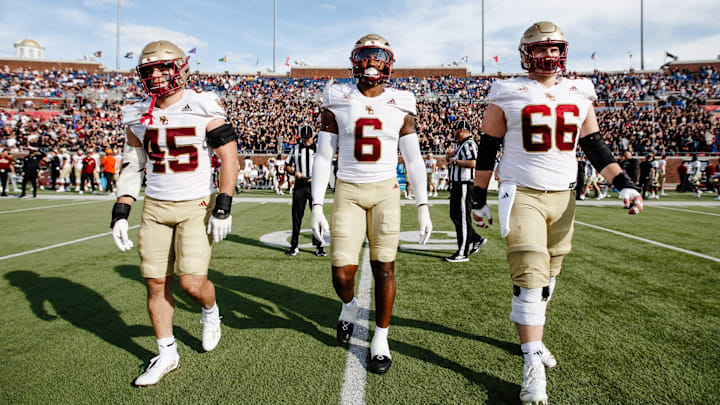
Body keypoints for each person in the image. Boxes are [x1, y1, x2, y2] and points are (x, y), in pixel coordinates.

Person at [470, 22, 643, 405]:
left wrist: (625, 183)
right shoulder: (507, 90)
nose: (548, 55)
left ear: (563, 51)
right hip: (521, 193)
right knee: (530, 273)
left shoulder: (580, 89)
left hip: (564, 197)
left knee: (549, 275)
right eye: (540, 48)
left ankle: (534, 339)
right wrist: (478, 196)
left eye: (554, 48)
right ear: (526, 53)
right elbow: (488, 148)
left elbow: (594, 145)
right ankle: (532, 362)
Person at [109, 40, 239, 387]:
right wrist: (121, 211)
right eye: (149, 69)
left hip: (195, 205)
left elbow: (229, 157)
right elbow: (134, 165)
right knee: (155, 284)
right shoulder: (136, 114)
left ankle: (210, 310)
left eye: (163, 67)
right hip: (155, 206)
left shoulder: (203, 104)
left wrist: (223, 205)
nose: (156, 75)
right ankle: (167, 353)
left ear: (180, 68)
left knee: (191, 283)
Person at [310, 34, 433, 375]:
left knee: (385, 268)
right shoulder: (338, 96)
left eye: (378, 56)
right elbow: (324, 155)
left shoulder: (401, 100)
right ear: (355, 60)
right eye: (365, 56)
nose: (371, 63)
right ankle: (349, 306)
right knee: (341, 272)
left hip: (385, 191)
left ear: (388, 62)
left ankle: (381, 337)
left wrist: (423, 204)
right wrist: (316, 204)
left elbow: (413, 158)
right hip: (348, 189)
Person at [446, 120, 486, 262]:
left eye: (456, 130)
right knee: (455, 215)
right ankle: (475, 238)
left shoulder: (469, 144)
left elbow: (474, 162)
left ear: (461, 130)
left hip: (464, 184)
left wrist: (455, 161)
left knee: (462, 217)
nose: (454, 132)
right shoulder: (462, 145)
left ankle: (462, 252)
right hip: (458, 185)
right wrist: (451, 158)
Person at [285, 125, 325, 256]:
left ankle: (319, 246)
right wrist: (294, 172)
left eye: (308, 138)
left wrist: (317, 176)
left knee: (317, 215)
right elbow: (287, 165)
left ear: (313, 136)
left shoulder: (319, 148)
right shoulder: (296, 148)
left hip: (315, 186)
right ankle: (294, 245)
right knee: (296, 216)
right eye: (304, 138)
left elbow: (325, 165)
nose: (306, 141)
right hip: (300, 185)